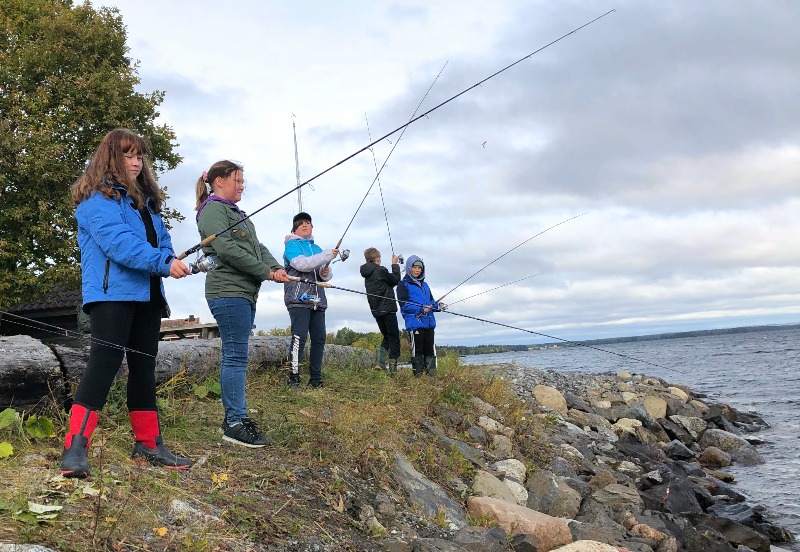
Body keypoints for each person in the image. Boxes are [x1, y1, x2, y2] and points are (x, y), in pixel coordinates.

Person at [61, 128, 193, 478]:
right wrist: (163, 263)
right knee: (103, 366)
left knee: (144, 367)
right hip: (111, 296)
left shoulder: (145, 204)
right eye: (128, 155)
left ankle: (149, 444)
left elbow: (162, 241)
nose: (136, 162)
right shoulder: (95, 202)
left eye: (139, 156)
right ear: (111, 157)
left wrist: (167, 258)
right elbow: (118, 244)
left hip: (148, 295)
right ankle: (74, 447)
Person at [196, 160, 289, 448]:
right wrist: (264, 272)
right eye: (237, 180)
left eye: (242, 181)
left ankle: (237, 416)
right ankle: (234, 421)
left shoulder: (238, 214)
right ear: (219, 181)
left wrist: (275, 267)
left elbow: (257, 247)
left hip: (244, 293)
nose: (242, 186)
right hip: (227, 292)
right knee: (235, 356)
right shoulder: (212, 209)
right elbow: (226, 248)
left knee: (238, 355)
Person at [283, 213, 338, 388]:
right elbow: (302, 265)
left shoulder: (318, 248)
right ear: (295, 229)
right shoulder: (291, 245)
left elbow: (325, 273)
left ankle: (316, 378)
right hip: (298, 299)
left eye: (308, 223)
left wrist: (325, 272)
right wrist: (326, 256)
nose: (305, 225)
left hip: (318, 300)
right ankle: (294, 377)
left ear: (312, 227)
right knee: (299, 337)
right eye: (300, 224)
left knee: (319, 338)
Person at [396, 255, 443, 377]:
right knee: (418, 351)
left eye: (419, 268)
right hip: (415, 322)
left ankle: (431, 377)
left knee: (430, 350)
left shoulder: (425, 285)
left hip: (429, 322)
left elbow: (431, 302)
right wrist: (421, 309)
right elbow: (403, 305)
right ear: (409, 268)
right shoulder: (403, 284)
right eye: (414, 267)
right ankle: (418, 378)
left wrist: (438, 306)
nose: (417, 270)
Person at [359, 248, 401, 375]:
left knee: (387, 336)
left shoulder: (367, 274)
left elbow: (386, 284)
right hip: (388, 308)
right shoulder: (381, 270)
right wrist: (395, 264)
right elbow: (395, 280)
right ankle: (393, 371)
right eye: (380, 257)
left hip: (376, 311)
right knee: (394, 338)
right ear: (377, 258)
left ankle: (380, 363)